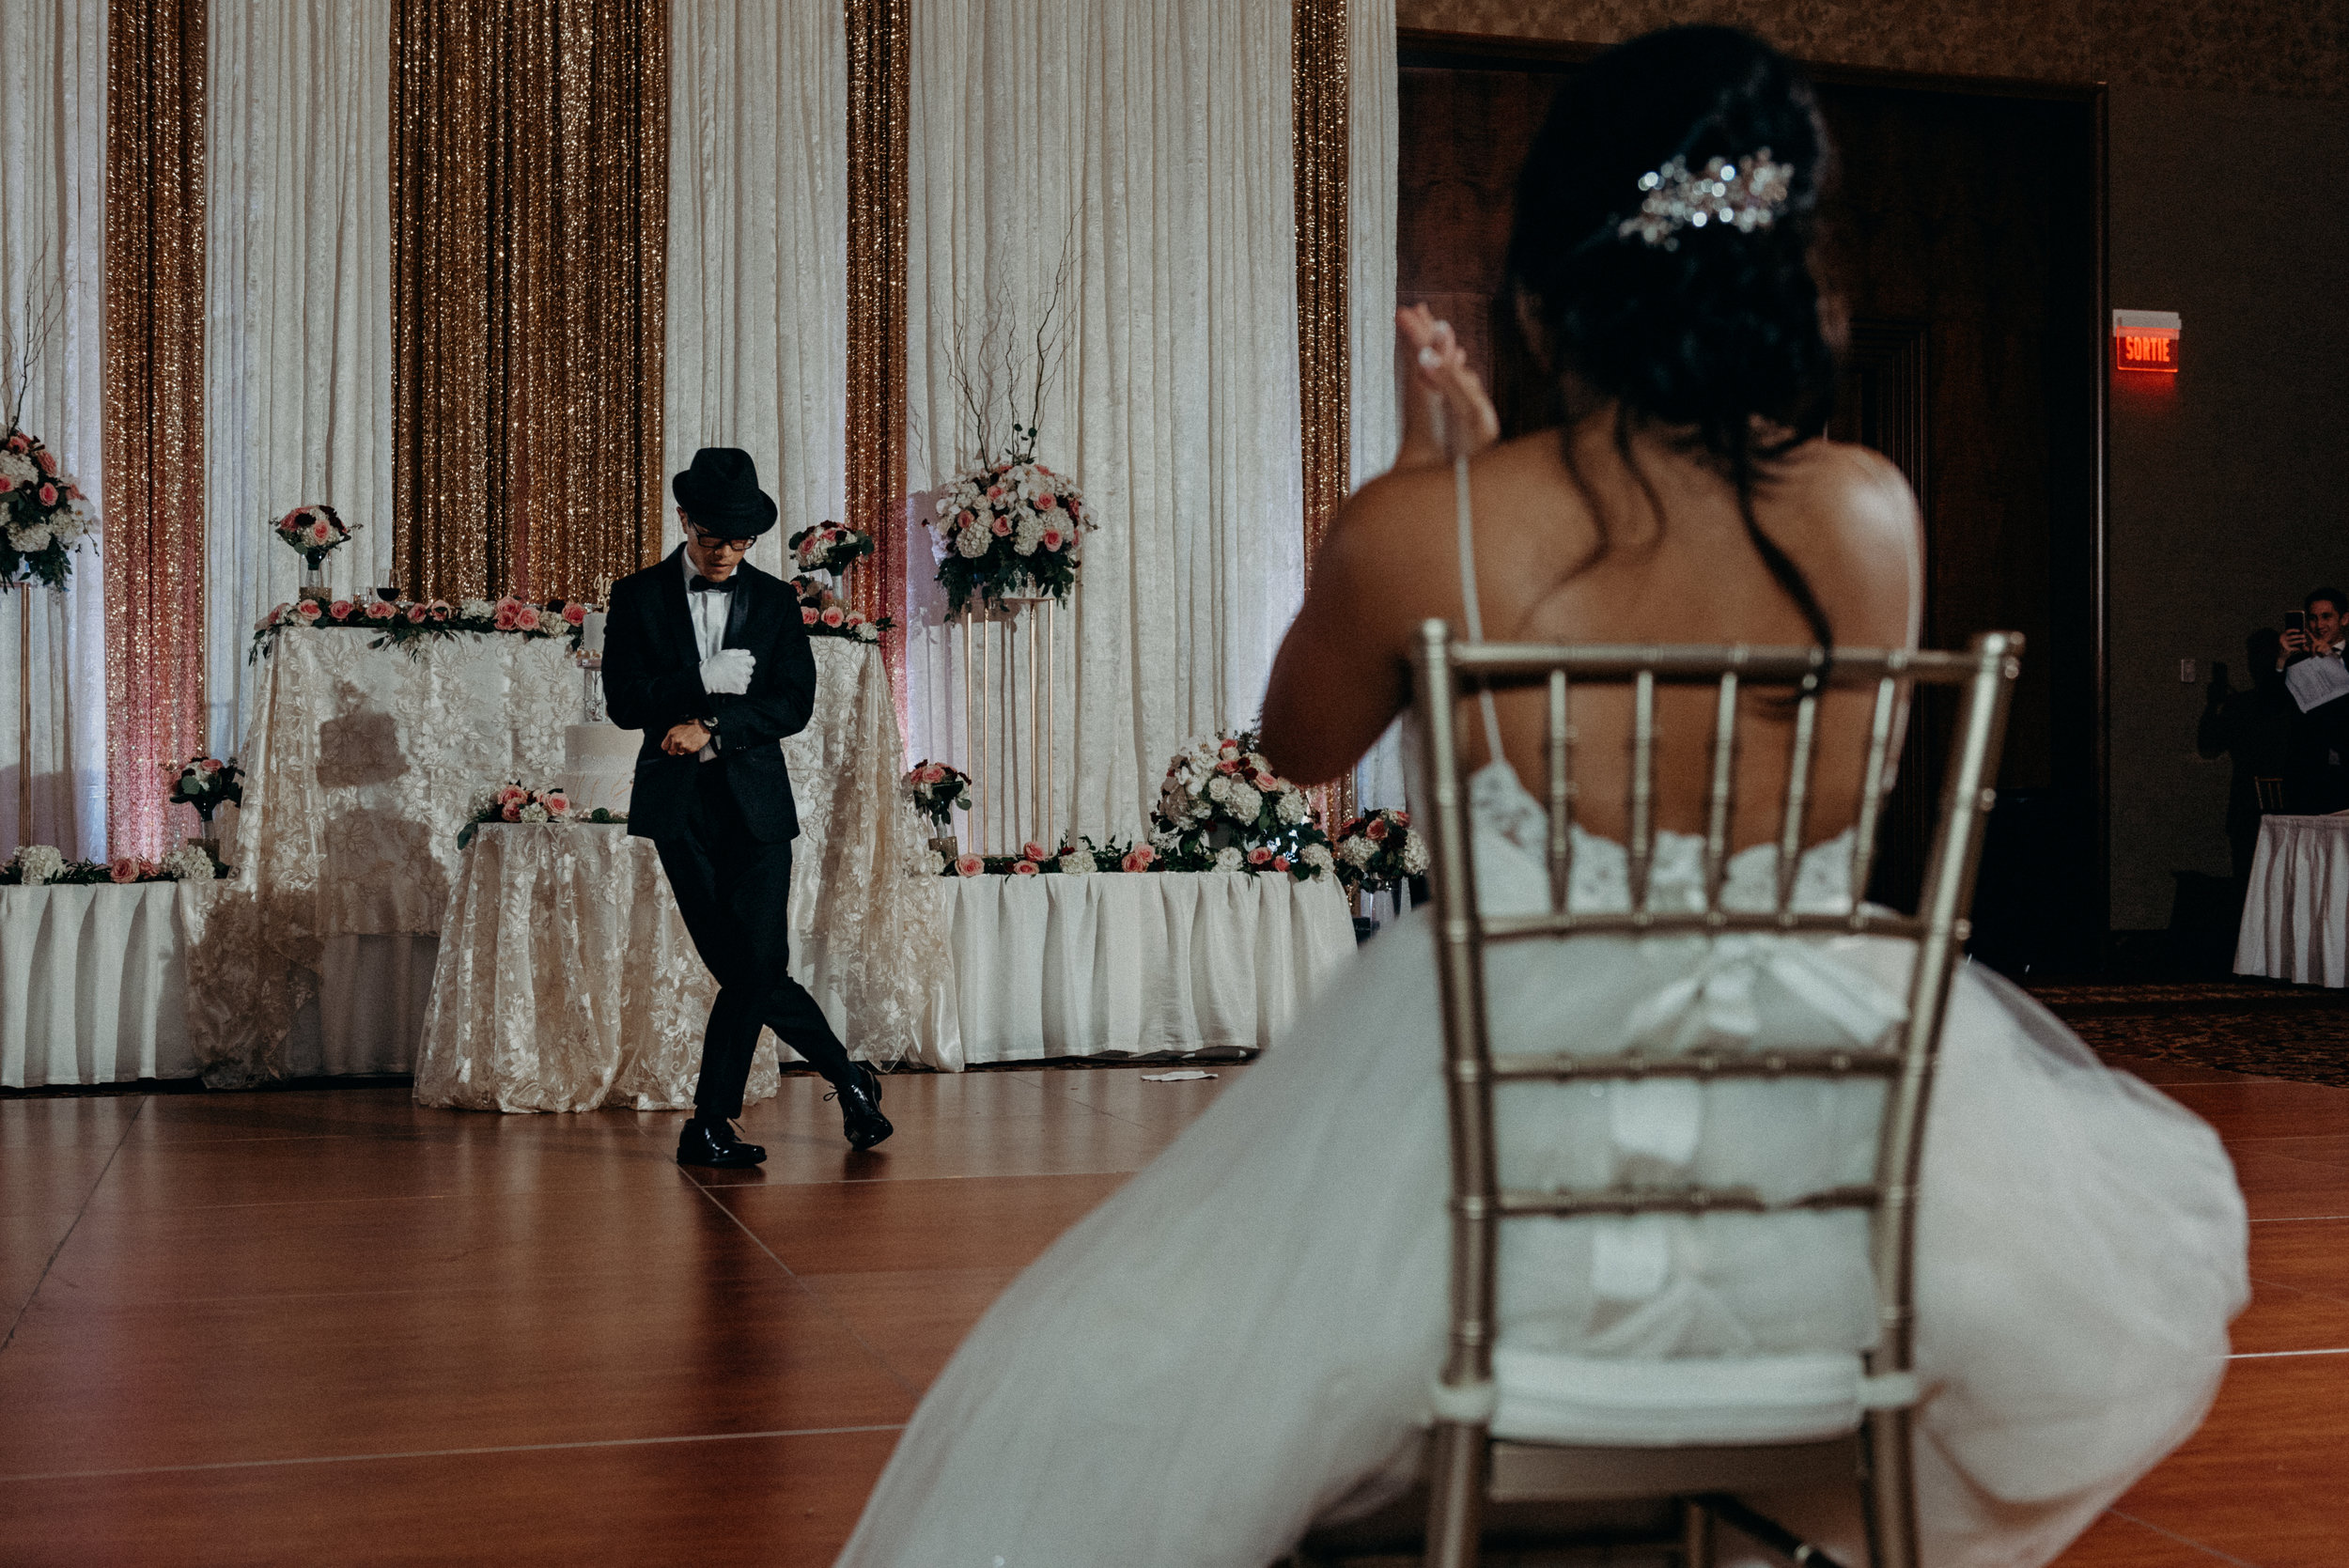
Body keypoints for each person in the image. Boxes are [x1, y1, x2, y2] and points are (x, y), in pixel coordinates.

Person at [834, 29, 2244, 1567]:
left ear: (1552, 276)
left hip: (1507, 1203)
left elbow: (1298, 745)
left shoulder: (1426, 528)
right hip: (1821, 1206)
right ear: (1785, 273)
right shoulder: (1869, 513)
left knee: (1142, 1397)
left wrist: (1431, 483)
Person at [600, 447, 892, 1165]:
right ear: (684, 520)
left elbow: (793, 702)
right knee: (745, 968)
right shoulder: (637, 597)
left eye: (740, 541)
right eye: (713, 539)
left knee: (756, 963)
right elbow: (623, 701)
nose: (727, 554)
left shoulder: (773, 600)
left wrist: (715, 723)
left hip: (757, 807)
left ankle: (708, 1124)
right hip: (679, 810)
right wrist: (697, 676)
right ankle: (849, 1078)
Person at [2199, 629, 2293, 878]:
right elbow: (2209, 746)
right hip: (2261, 807)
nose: (2254, 664)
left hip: (2254, 806)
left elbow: (2208, 745)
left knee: (2251, 882)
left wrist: (2213, 705)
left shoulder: (2242, 704)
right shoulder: (2245, 704)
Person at [2279, 587, 2349, 813]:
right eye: (2313, 618)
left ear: (2344, 619)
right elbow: (2271, 707)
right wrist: (2281, 660)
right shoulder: (2297, 661)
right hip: (2308, 774)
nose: (2319, 625)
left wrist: (2329, 660)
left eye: (2326, 617)